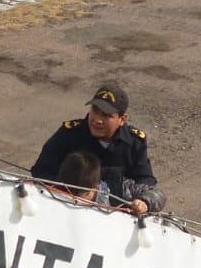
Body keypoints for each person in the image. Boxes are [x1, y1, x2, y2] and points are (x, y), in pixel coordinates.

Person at [30, 84, 158, 214]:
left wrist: (143, 202)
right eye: (95, 111)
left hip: (114, 217)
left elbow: (145, 182)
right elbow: (42, 170)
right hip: (66, 208)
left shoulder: (134, 142)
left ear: (122, 119)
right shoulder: (69, 134)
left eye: (106, 115)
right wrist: (63, 194)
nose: (97, 120)